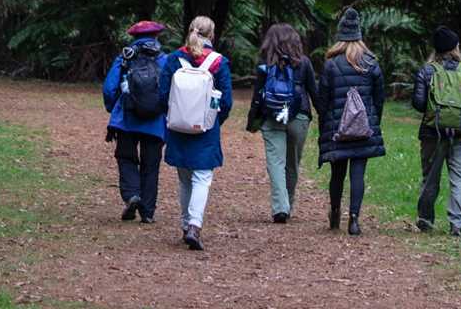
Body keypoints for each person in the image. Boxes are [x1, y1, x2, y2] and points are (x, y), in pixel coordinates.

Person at [159, 16, 233, 251]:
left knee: (184, 178)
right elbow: (227, 102)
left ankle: (185, 225)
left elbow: (162, 95)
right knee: (202, 177)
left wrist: (174, 116)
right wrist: (212, 121)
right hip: (206, 129)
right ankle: (194, 225)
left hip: (178, 127)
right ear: (212, 35)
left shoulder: (173, 59)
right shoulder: (218, 63)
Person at [411, 26, 461, 237]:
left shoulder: (427, 71)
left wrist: (435, 113)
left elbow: (418, 103)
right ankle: (457, 224)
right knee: (460, 177)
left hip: (432, 133)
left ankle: (425, 220)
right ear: (455, 47)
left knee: (430, 177)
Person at [317, 7, 385, 236]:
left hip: (338, 128)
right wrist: (374, 122)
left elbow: (323, 100)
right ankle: (354, 220)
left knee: (337, 173)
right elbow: (379, 99)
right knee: (358, 174)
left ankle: (335, 214)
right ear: (359, 35)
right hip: (364, 128)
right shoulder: (371, 62)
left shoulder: (331, 64)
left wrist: (324, 125)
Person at [247, 23, 318, 224]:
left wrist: (253, 120)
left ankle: (281, 207)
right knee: (292, 164)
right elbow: (314, 92)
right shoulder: (304, 63)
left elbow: (257, 96)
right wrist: (325, 117)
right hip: (299, 117)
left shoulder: (265, 64)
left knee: (276, 163)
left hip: (272, 117)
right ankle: (289, 204)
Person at [102, 20, 169, 223]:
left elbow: (109, 88)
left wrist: (113, 107)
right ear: (156, 36)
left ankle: (132, 195)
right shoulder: (165, 60)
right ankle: (147, 212)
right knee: (151, 165)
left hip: (127, 119)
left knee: (126, 158)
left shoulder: (124, 57)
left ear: (133, 37)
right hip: (155, 121)